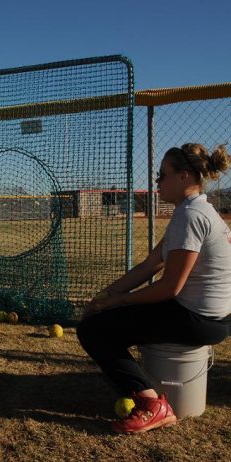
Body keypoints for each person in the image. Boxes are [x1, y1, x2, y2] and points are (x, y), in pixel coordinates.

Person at [77, 143, 231, 434]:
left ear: (184, 177)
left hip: (198, 319)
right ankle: (149, 396)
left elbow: (169, 288)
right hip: (210, 317)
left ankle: (153, 405)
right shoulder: (196, 210)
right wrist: (106, 297)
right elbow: (150, 266)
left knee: (93, 330)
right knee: (105, 318)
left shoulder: (191, 215)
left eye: (162, 175)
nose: (157, 181)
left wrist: (120, 301)